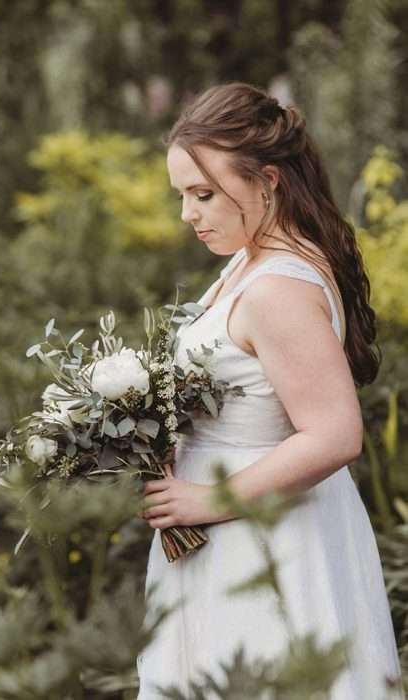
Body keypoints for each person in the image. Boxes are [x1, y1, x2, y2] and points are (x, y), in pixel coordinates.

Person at [136, 84, 403, 698]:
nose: (188, 214)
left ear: (268, 181)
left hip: (266, 541)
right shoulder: (252, 260)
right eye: (182, 195)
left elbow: (336, 434)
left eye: (203, 194)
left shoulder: (278, 287)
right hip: (234, 532)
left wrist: (208, 499)